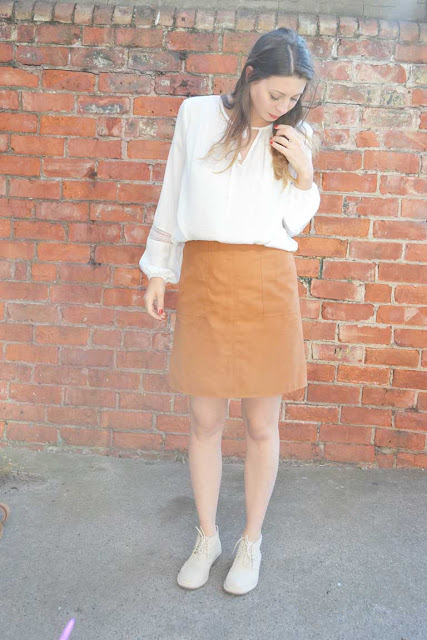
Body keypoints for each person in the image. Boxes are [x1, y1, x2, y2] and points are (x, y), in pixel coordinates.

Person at [139, 27, 321, 595]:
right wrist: (158, 268)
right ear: (249, 76)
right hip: (206, 276)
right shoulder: (196, 116)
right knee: (205, 422)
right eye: (275, 94)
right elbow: (173, 191)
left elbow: (294, 221)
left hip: (267, 280)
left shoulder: (295, 135)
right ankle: (208, 537)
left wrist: (305, 173)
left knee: (262, 425)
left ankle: (251, 540)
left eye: (294, 97)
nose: (283, 105)